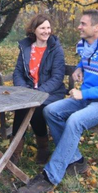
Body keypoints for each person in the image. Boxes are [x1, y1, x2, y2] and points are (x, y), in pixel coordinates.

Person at [18, 9, 98, 193]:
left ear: (97, 27)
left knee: (74, 121)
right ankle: (76, 159)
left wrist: (84, 92)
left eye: (83, 24)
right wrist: (79, 68)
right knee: (51, 111)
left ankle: (50, 175)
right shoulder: (85, 45)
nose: (79, 26)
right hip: (84, 98)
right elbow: (86, 61)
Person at [11, 14, 66, 164]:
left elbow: (57, 77)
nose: (46, 31)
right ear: (34, 30)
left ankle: (43, 147)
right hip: (28, 90)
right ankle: (15, 151)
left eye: (48, 28)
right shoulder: (26, 48)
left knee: (36, 108)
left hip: (50, 92)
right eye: (42, 28)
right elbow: (18, 72)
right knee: (20, 108)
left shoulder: (55, 49)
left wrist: (37, 94)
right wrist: (24, 90)